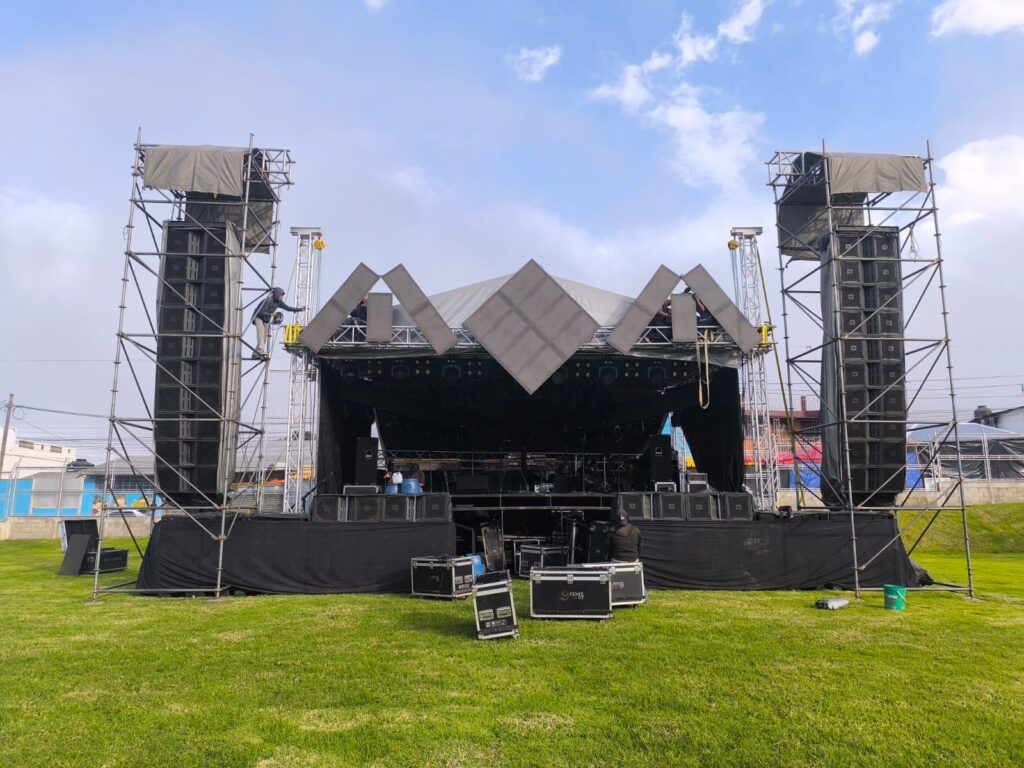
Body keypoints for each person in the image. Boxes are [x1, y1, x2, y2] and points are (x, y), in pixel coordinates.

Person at [251, 287, 304, 360]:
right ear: (277, 294)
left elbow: (288, 308)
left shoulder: (279, 302)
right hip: (258, 317)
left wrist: (300, 309)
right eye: (281, 295)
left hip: (266, 319)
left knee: (264, 337)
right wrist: (272, 314)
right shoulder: (268, 300)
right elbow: (260, 312)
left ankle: (256, 353)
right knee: (261, 333)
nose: (282, 297)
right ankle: (260, 350)